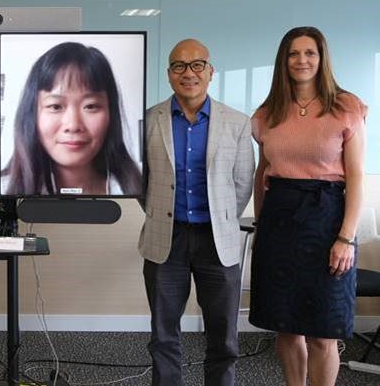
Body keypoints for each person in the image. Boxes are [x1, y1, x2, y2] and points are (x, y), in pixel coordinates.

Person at [249, 26, 366, 386]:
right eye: (293, 53)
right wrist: (260, 227)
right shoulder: (268, 113)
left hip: (328, 222)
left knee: (322, 331)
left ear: (321, 58)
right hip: (278, 222)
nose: (302, 60)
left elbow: (356, 176)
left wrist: (346, 238)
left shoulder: (346, 106)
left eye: (310, 53)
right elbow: (262, 173)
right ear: (283, 61)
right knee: (285, 326)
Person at [138, 39, 254, 386]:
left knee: (223, 336)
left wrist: (219, 217)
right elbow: (140, 182)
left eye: (196, 65)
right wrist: (159, 212)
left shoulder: (237, 123)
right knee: (163, 335)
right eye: (179, 66)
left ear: (210, 71)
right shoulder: (149, 120)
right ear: (169, 74)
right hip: (166, 238)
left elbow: (242, 183)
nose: (188, 73)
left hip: (218, 242)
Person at [1, 41, 141, 196]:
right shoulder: (0, 189)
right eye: (55, 106)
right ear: (31, 115)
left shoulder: (143, 187)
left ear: (111, 114)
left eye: (90, 106)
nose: (73, 125)